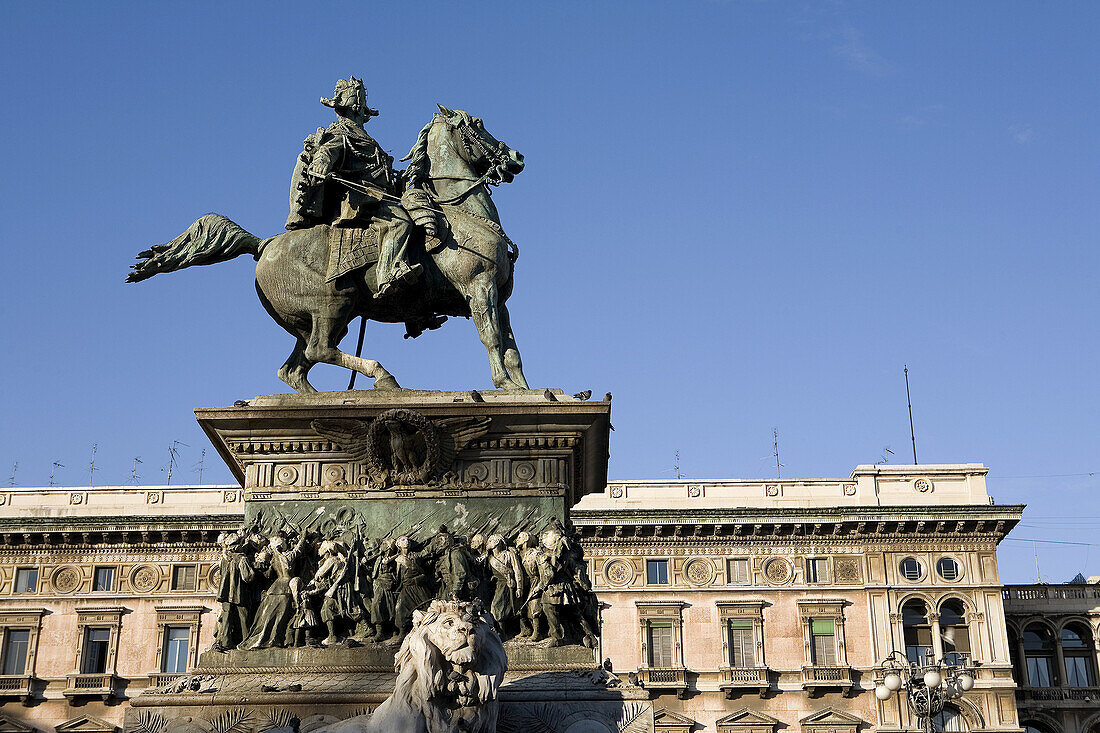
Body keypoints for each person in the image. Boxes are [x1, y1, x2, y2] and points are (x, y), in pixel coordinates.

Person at [285, 77, 421, 299]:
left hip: (380, 197)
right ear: (355, 106)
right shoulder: (342, 132)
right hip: (361, 200)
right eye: (359, 103)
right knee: (400, 222)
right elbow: (328, 150)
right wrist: (321, 163)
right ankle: (389, 273)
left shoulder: (363, 136)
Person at [212, 532, 256, 651]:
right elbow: (248, 577)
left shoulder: (224, 559)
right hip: (239, 593)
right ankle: (246, 642)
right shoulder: (242, 558)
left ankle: (225, 641)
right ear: (238, 545)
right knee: (244, 617)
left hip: (225, 594)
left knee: (226, 618)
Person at [486, 534, 524, 636]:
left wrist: (519, 587)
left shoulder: (508, 554)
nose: (489, 543)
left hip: (507, 584)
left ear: (497, 542)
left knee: (500, 606)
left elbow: (517, 570)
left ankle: (503, 632)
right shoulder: (490, 557)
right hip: (498, 584)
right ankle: (500, 631)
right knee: (496, 607)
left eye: (491, 541)